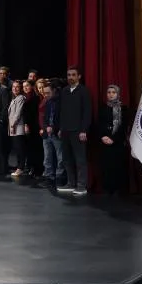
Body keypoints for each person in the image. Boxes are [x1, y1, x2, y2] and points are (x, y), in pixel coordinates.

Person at [57, 66, 91, 196]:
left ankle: (81, 186)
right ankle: (71, 183)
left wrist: (84, 130)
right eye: (69, 75)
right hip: (65, 130)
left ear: (79, 76)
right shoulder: (64, 91)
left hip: (78, 131)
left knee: (80, 159)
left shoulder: (84, 91)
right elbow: (62, 112)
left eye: (73, 75)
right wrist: (60, 128)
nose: (70, 77)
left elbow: (87, 112)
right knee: (66, 158)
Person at [96, 84, 129, 195]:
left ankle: (117, 189)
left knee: (117, 166)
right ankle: (107, 188)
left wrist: (113, 138)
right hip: (104, 141)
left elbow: (123, 127)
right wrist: (103, 136)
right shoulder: (103, 108)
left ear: (118, 94)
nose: (111, 94)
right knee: (106, 166)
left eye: (113, 92)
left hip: (117, 142)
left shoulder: (123, 109)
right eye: (109, 92)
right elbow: (99, 124)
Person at [39, 84, 64, 188]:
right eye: (44, 93)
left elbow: (63, 118)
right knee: (47, 157)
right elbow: (45, 118)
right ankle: (49, 177)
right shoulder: (48, 102)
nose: (46, 95)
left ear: (54, 91)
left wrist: (54, 128)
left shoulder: (61, 102)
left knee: (60, 157)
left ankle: (60, 178)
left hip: (57, 133)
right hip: (47, 134)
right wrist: (46, 127)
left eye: (48, 93)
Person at [7, 80, 29, 178]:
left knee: (20, 148)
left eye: (17, 87)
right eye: (13, 87)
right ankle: (20, 167)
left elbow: (18, 113)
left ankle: (20, 168)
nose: (15, 89)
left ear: (20, 89)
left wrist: (12, 125)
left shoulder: (20, 98)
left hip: (17, 127)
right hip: (14, 127)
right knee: (17, 148)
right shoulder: (14, 98)